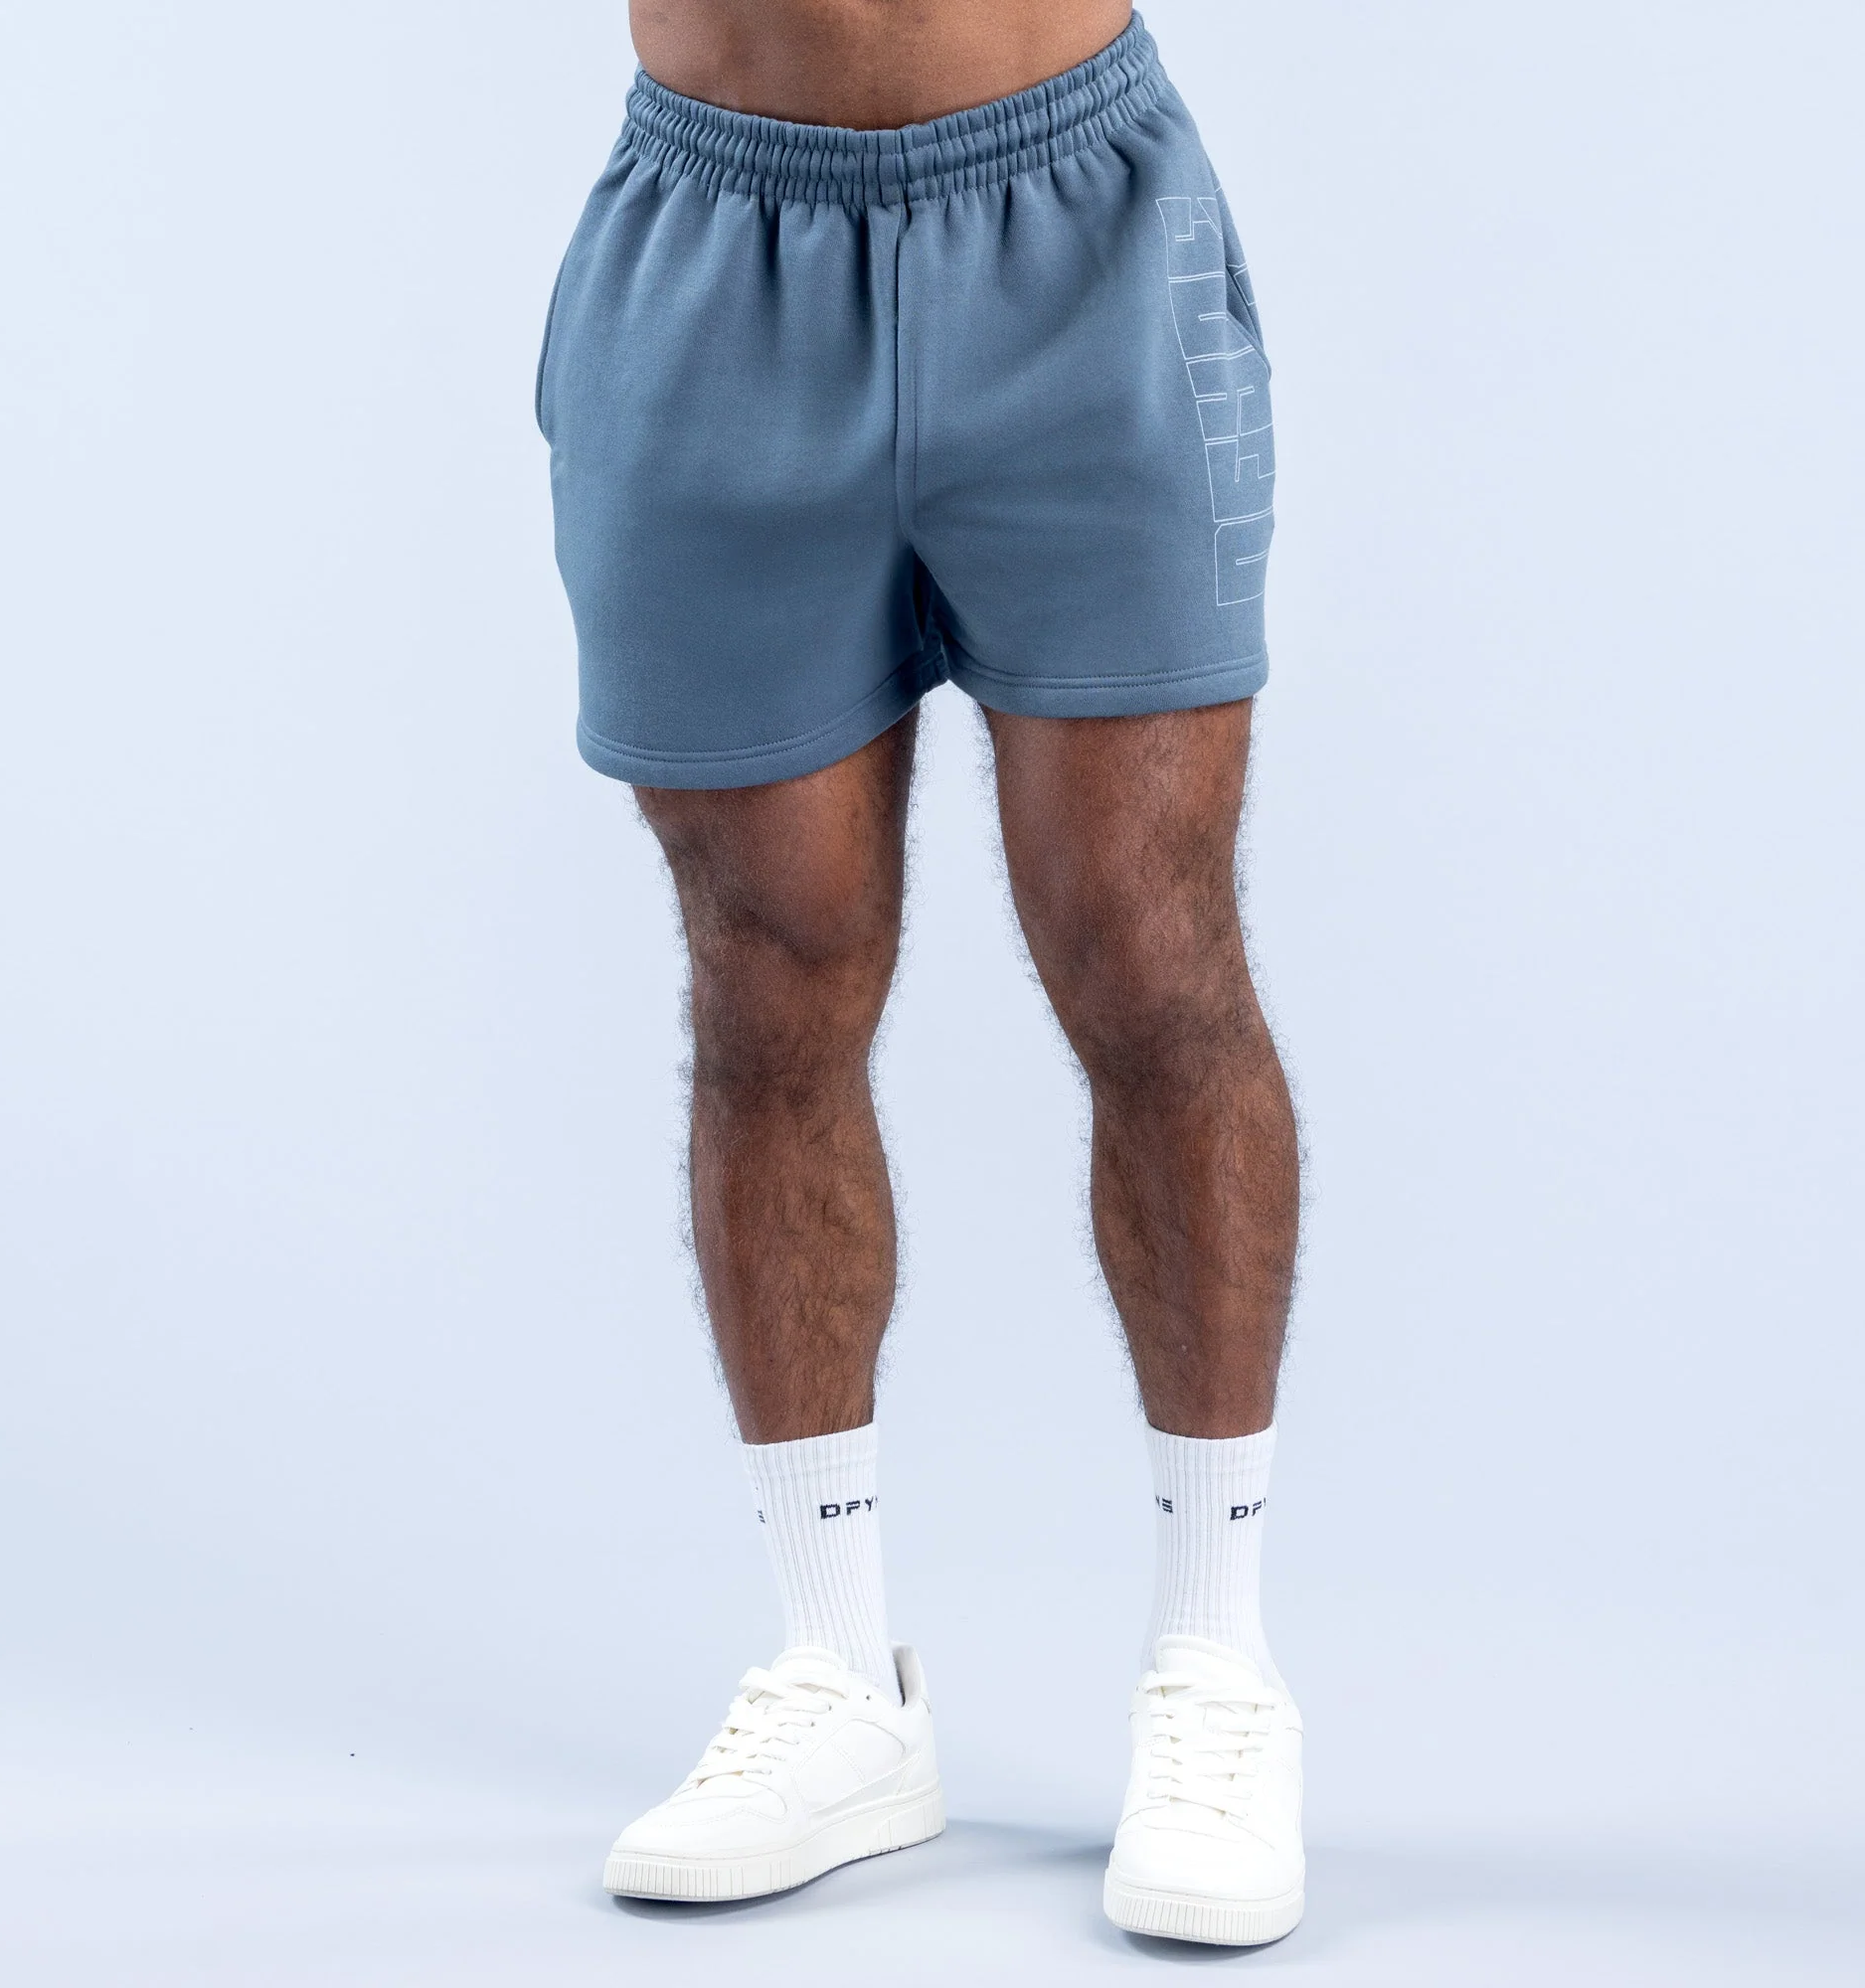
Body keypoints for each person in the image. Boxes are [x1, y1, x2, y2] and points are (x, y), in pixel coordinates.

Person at [537, 1, 1301, 1947]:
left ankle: (1217, 1665)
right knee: (765, 976)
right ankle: (836, 1679)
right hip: (718, 248)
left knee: (1151, 955)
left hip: (1075, 228)